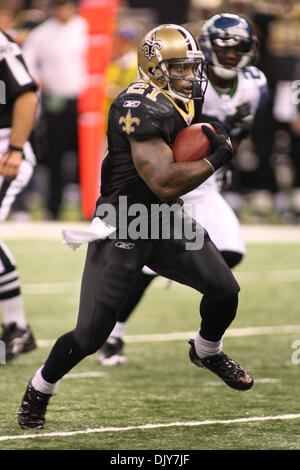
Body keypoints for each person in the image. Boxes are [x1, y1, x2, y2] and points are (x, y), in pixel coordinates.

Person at [18, 23, 254, 431]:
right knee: (91, 335)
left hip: (163, 217)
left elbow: (169, 180)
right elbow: (162, 180)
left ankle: (206, 350)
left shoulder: (178, 97)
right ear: (155, 68)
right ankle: (40, 388)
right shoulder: (138, 104)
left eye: (191, 66)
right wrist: (217, 159)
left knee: (225, 290)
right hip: (124, 220)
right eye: (179, 67)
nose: (189, 76)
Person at [98, 13, 268, 366]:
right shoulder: (181, 78)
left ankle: (203, 346)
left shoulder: (256, 84)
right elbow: (165, 136)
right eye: (225, 47)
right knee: (145, 267)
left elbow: (234, 137)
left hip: (206, 184)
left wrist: (227, 141)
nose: (232, 54)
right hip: (173, 181)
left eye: (239, 47)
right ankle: (113, 335)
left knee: (231, 252)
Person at [22, 0, 88, 219]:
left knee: (87, 155)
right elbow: (28, 65)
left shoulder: (85, 28)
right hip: (56, 101)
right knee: (55, 157)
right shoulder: (41, 34)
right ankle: (53, 205)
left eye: (66, 5)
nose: (62, 10)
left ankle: (89, 203)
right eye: (58, 6)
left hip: (85, 101)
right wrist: (39, 83)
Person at [0, 28, 39, 361]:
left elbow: (27, 94)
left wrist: (15, 148)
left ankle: (17, 327)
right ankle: (17, 327)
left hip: (4, 147)